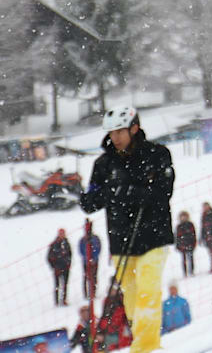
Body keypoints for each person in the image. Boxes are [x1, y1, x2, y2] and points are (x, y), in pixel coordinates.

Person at [79, 107, 175, 353]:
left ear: (134, 128)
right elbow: (91, 201)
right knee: (131, 299)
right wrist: (98, 195)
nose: (116, 138)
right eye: (112, 133)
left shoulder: (157, 154)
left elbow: (163, 191)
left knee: (148, 292)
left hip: (154, 237)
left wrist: (129, 192)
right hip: (121, 241)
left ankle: (145, 348)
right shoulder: (103, 164)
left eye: (120, 131)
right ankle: (146, 342)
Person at [47, 228, 72, 306]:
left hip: (66, 268)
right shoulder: (54, 244)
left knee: (65, 284)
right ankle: (57, 301)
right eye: (61, 233)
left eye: (63, 233)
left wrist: (68, 263)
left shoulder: (67, 244)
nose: (62, 235)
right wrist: (54, 267)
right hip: (57, 268)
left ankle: (64, 299)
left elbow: (70, 254)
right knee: (57, 285)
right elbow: (49, 257)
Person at [79, 220, 102, 301]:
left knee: (94, 277)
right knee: (86, 277)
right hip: (86, 262)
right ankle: (86, 294)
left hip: (94, 261)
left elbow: (98, 249)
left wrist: (94, 258)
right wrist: (87, 258)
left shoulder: (96, 238)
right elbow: (81, 250)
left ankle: (93, 292)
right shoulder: (83, 240)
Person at [174, 211, 197, 277]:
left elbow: (193, 235)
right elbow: (177, 237)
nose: (183, 218)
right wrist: (178, 245)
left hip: (190, 244)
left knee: (191, 258)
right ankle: (185, 273)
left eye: (184, 216)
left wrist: (194, 243)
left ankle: (191, 271)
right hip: (182, 245)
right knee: (184, 259)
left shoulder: (190, 224)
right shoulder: (179, 226)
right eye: (182, 217)